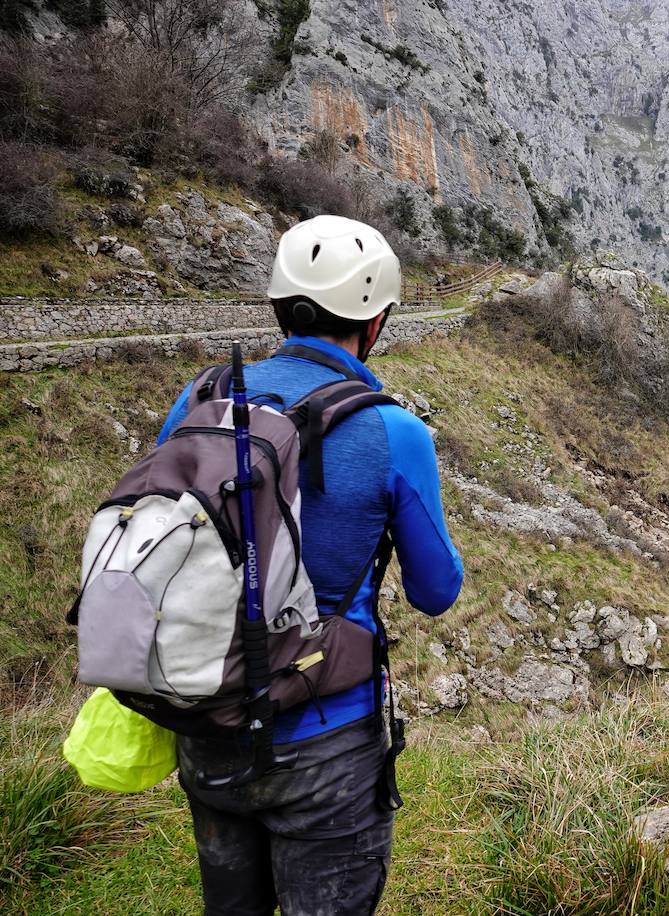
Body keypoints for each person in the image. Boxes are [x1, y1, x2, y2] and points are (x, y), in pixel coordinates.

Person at [155, 215, 465, 915]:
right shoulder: (393, 432)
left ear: (277, 305)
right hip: (326, 742)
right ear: (375, 320)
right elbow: (436, 591)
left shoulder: (201, 397)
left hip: (208, 720)